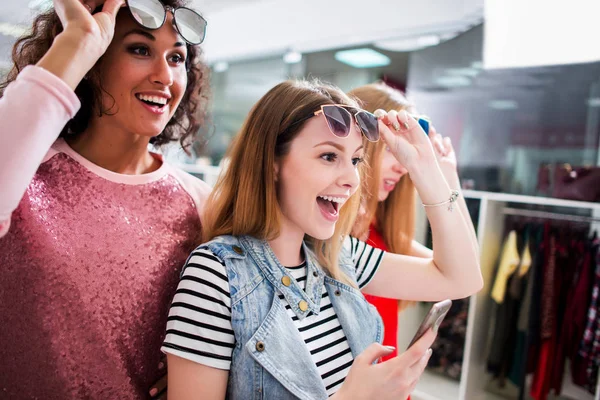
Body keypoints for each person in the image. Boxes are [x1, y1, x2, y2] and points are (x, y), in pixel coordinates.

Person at [161, 79, 483, 399]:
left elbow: (462, 279)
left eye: (356, 160)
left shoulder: (340, 255)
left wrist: (424, 168)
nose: (352, 180)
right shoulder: (215, 275)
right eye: (329, 156)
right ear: (272, 162)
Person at [0, 0, 212, 398]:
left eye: (177, 57)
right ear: (94, 62)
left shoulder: (202, 203)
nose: (164, 75)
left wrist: (209, 367)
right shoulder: (25, 171)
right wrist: (77, 40)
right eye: (139, 49)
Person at [349, 83, 479, 360]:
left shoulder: (383, 235)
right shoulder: (333, 244)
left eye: (404, 152)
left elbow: (470, 269)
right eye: (389, 148)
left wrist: (447, 177)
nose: (403, 166)